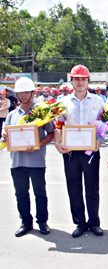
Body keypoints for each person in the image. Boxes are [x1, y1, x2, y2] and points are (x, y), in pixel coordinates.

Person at [54, 64, 105, 238]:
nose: (80, 82)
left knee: (92, 188)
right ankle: (80, 223)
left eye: (83, 79)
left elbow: (104, 124)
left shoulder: (98, 101)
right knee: (74, 188)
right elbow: (58, 125)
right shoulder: (63, 102)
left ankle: (94, 223)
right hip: (70, 152)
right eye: (77, 79)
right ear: (72, 81)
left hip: (91, 151)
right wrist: (57, 143)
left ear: (88, 81)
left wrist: (99, 140)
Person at [3, 77, 54, 237]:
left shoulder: (41, 112)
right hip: (17, 162)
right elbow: (6, 135)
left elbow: (51, 133)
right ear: (16, 95)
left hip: (36, 161)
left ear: (33, 93)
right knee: (21, 194)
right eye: (20, 93)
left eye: (26, 92)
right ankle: (26, 222)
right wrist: (5, 138)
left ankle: (42, 222)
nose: (23, 95)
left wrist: (38, 144)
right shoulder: (11, 115)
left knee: (40, 193)